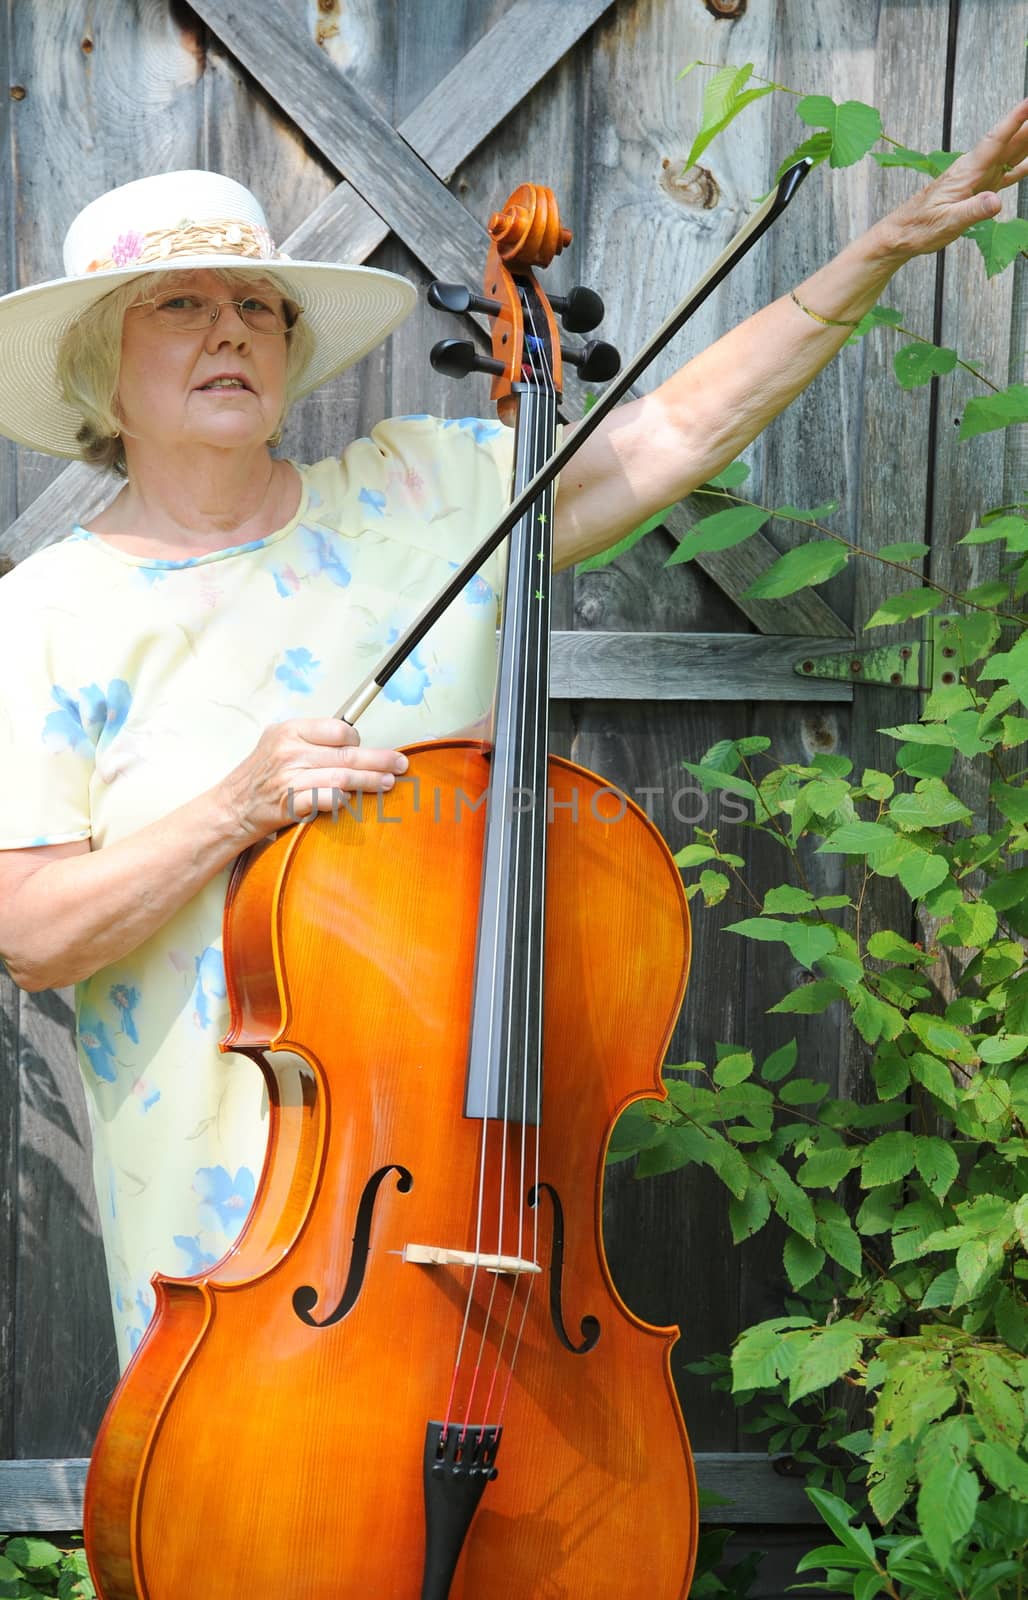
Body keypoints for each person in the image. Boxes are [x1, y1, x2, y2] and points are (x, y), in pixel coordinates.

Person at [0, 107, 1026, 1372]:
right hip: (221, 1218)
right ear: (103, 368)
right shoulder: (49, 612)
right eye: (181, 306)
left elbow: (669, 436)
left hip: (465, 1179)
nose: (231, 328)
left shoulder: (419, 494)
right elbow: (33, 935)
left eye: (258, 306)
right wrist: (235, 806)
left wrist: (872, 255)